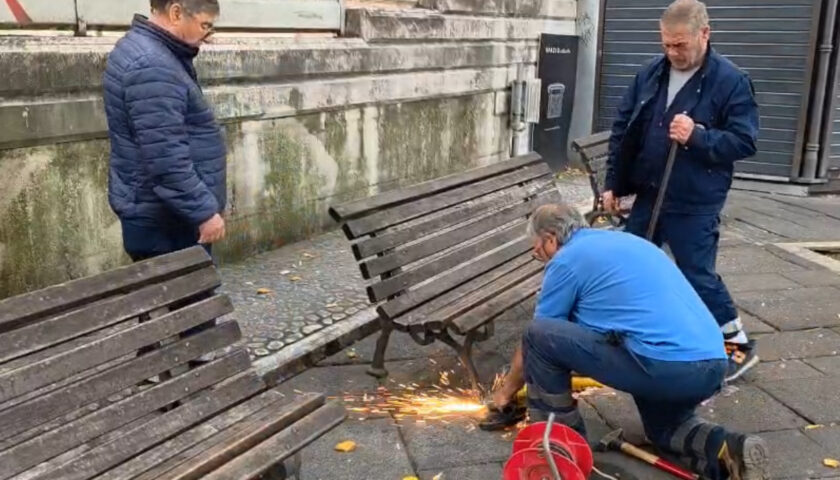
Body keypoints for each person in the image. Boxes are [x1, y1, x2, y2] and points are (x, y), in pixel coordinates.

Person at [483, 203, 769, 480]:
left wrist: (505, 393)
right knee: (665, 430)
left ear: (550, 239)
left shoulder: (566, 260)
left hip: (662, 366)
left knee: (538, 335)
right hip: (712, 364)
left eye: (537, 250)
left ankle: (559, 448)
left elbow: (540, 334)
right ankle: (729, 448)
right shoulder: (628, 242)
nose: (541, 257)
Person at [601, 0, 760, 381]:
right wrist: (614, 184)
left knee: (695, 273)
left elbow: (744, 141)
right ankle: (626, 330)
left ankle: (737, 343)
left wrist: (699, 137)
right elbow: (625, 130)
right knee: (631, 261)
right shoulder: (651, 74)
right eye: (667, 45)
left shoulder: (731, 81)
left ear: (704, 34)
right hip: (651, 191)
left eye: (681, 45)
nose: (673, 53)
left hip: (694, 197)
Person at [103, 0, 226, 365]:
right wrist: (205, 212)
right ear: (176, 12)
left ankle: (168, 384)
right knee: (192, 315)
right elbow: (166, 157)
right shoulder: (152, 66)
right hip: (167, 218)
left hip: (155, 210)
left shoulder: (147, 51)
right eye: (205, 25)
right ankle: (200, 395)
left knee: (163, 310)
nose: (207, 36)